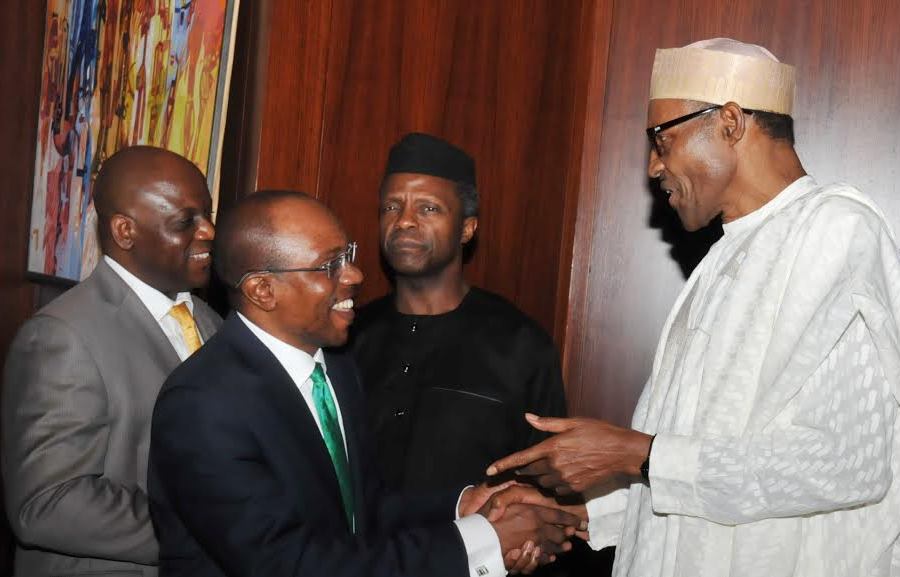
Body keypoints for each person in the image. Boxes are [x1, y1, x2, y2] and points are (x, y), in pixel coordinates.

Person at [487, 38, 900, 577]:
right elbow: (707, 465)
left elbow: (848, 464)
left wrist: (635, 453)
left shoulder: (836, 230)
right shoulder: (720, 260)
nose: (654, 167)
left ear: (730, 122)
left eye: (663, 139)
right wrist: (581, 512)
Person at [148, 190, 583, 577]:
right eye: (329, 266)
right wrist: (482, 541)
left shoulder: (334, 365)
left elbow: (362, 508)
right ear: (264, 290)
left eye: (348, 255)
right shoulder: (201, 405)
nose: (354, 275)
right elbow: (286, 563)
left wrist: (465, 503)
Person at [2, 146, 221, 577]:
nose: (210, 231)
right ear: (124, 231)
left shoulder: (213, 322)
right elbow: (47, 503)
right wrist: (207, 535)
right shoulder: (61, 337)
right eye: (186, 221)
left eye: (209, 213)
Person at [351, 132, 568, 493]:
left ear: (467, 228)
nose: (403, 221)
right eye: (391, 207)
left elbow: (545, 481)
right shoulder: (348, 337)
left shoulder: (518, 343)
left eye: (428, 208)